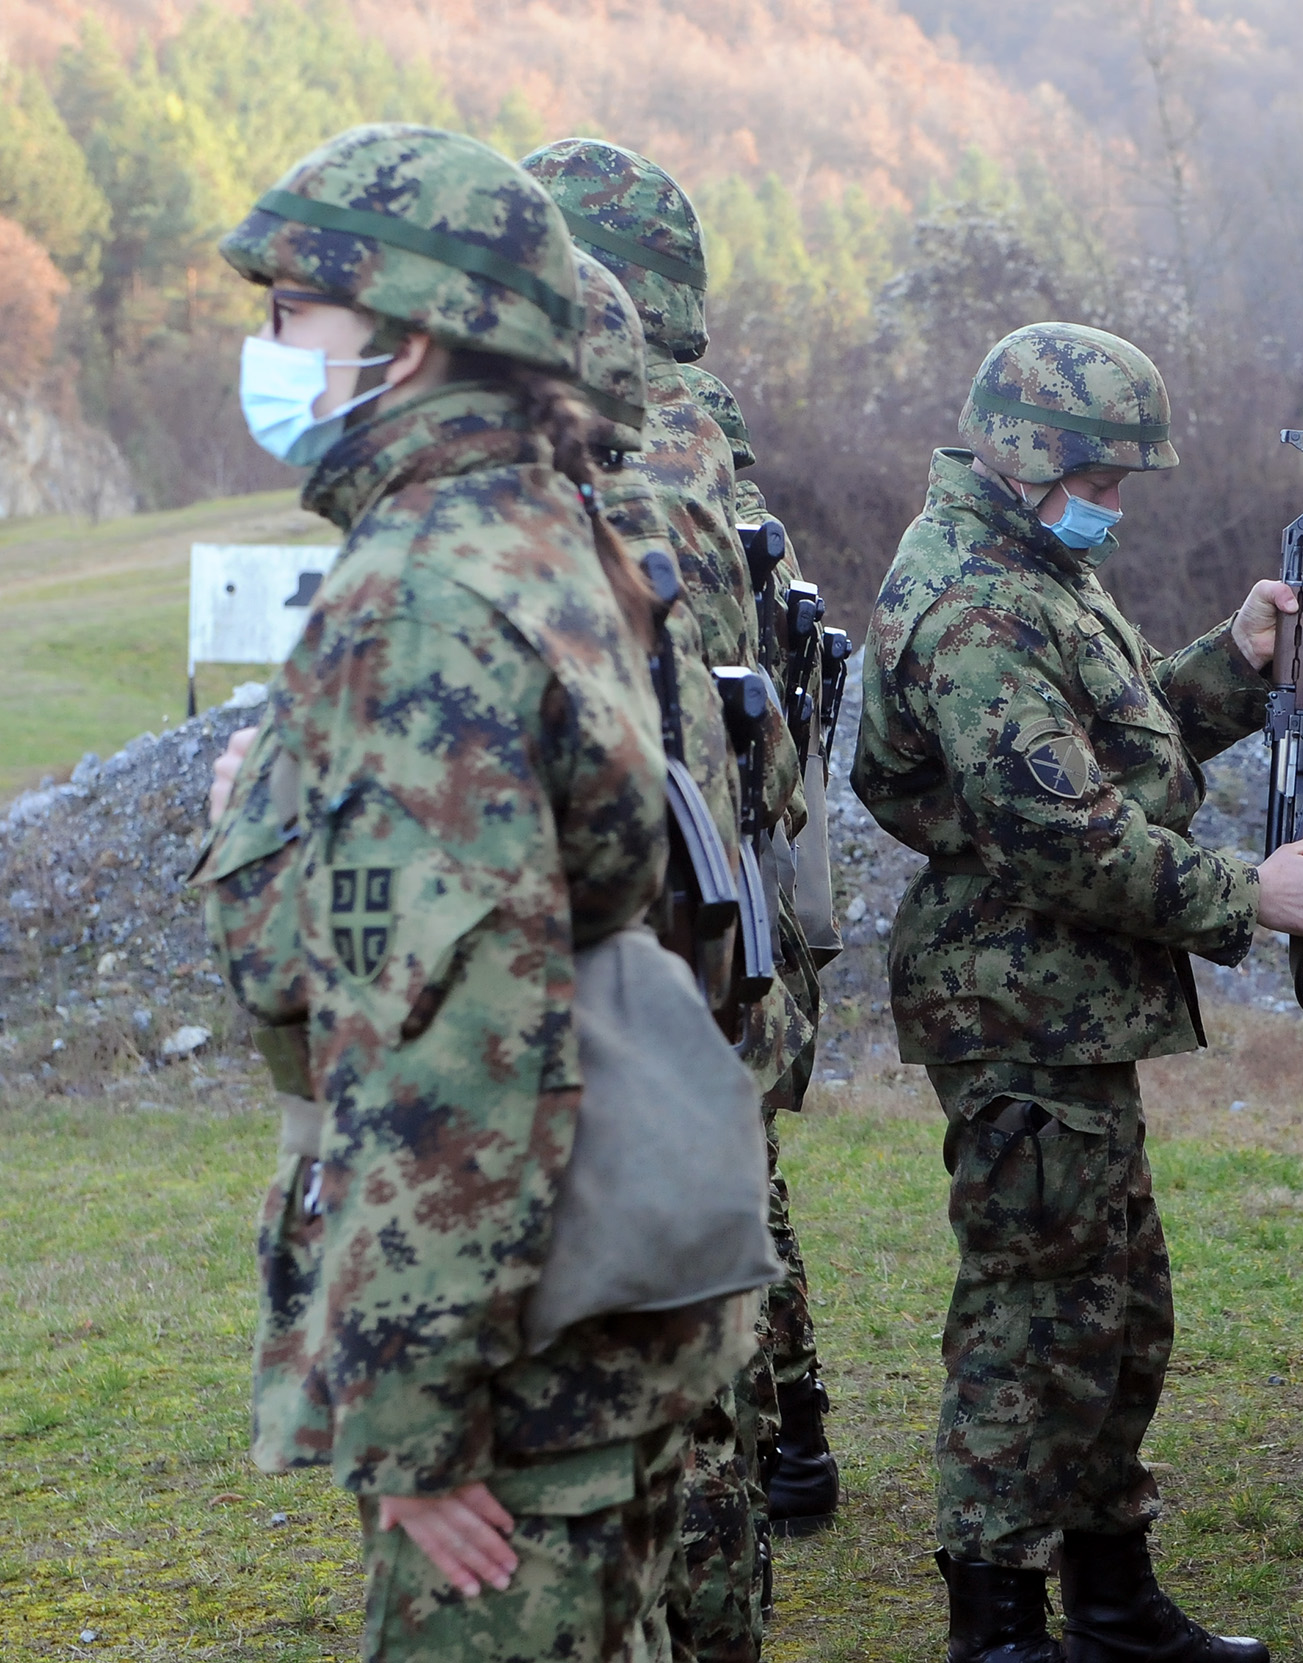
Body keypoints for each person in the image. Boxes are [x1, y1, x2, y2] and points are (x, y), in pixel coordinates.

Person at [195, 123, 754, 1660]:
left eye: (293, 314)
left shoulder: (424, 590)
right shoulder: (544, 526)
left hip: (515, 1377)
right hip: (582, 1327)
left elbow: (456, 1026)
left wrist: (415, 1412)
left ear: (411, 331)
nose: (270, 352)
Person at [849, 321, 1303, 1663]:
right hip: (1015, 1003)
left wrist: (1236, 661)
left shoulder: (1031, 570)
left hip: (1064, 1002)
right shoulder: (976, 599)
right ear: (1030, 457)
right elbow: (1056, 832)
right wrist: (1247, 893)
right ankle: (1002, 1621)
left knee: (1115, 1310)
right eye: (1105, 476)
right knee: (1035, 1320)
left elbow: (1111, 754)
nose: (1117, 503)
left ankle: (1115, 1598)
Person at [523, 135, 799, 1661]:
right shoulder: (684, 467)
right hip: (691, 977)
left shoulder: (564, 526)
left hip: (622, 998)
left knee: (647, 1409)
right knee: (704, 1376)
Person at [680, 360, 848, 1543]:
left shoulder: (672, 513)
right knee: (747, 1171)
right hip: (752, 882)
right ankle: (791, 1425)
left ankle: (769, 1435)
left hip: (717, 891)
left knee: (725, 1177)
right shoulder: (735, 522)